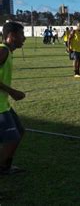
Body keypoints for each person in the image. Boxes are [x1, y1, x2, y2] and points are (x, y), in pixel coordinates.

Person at [0, 21, 27, 175]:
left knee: (19, 132)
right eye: (21, 35)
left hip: (3, 104)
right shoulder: (2, 51)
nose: (24, 38)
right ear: (12, 36)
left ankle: (5, 167)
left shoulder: (7, 52)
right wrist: (12, 92)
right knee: (12, 138)